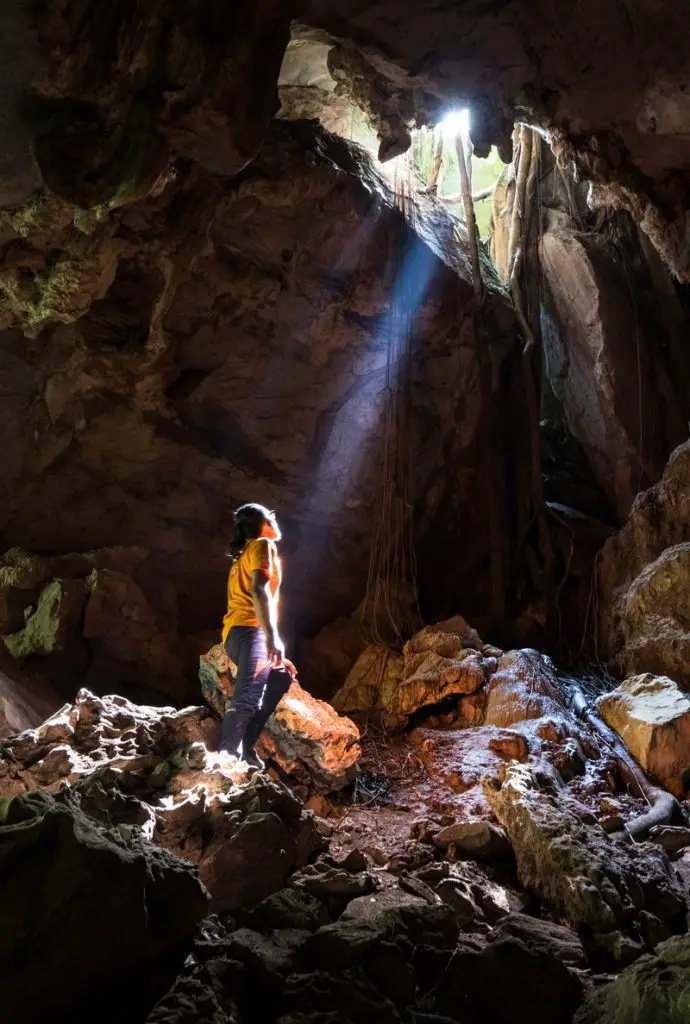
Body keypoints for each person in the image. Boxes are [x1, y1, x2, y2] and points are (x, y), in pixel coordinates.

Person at [217, 503, 292, 769]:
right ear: (262, 523)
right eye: (271, 516)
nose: (275, 520)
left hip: (237, 635)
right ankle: (225, 761)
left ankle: (246, 746)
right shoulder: (262, 544)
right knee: (247, 696)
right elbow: (259, 590)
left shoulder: (242, 555)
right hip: (250, 632)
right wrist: (271, 638)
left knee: (282, 676)